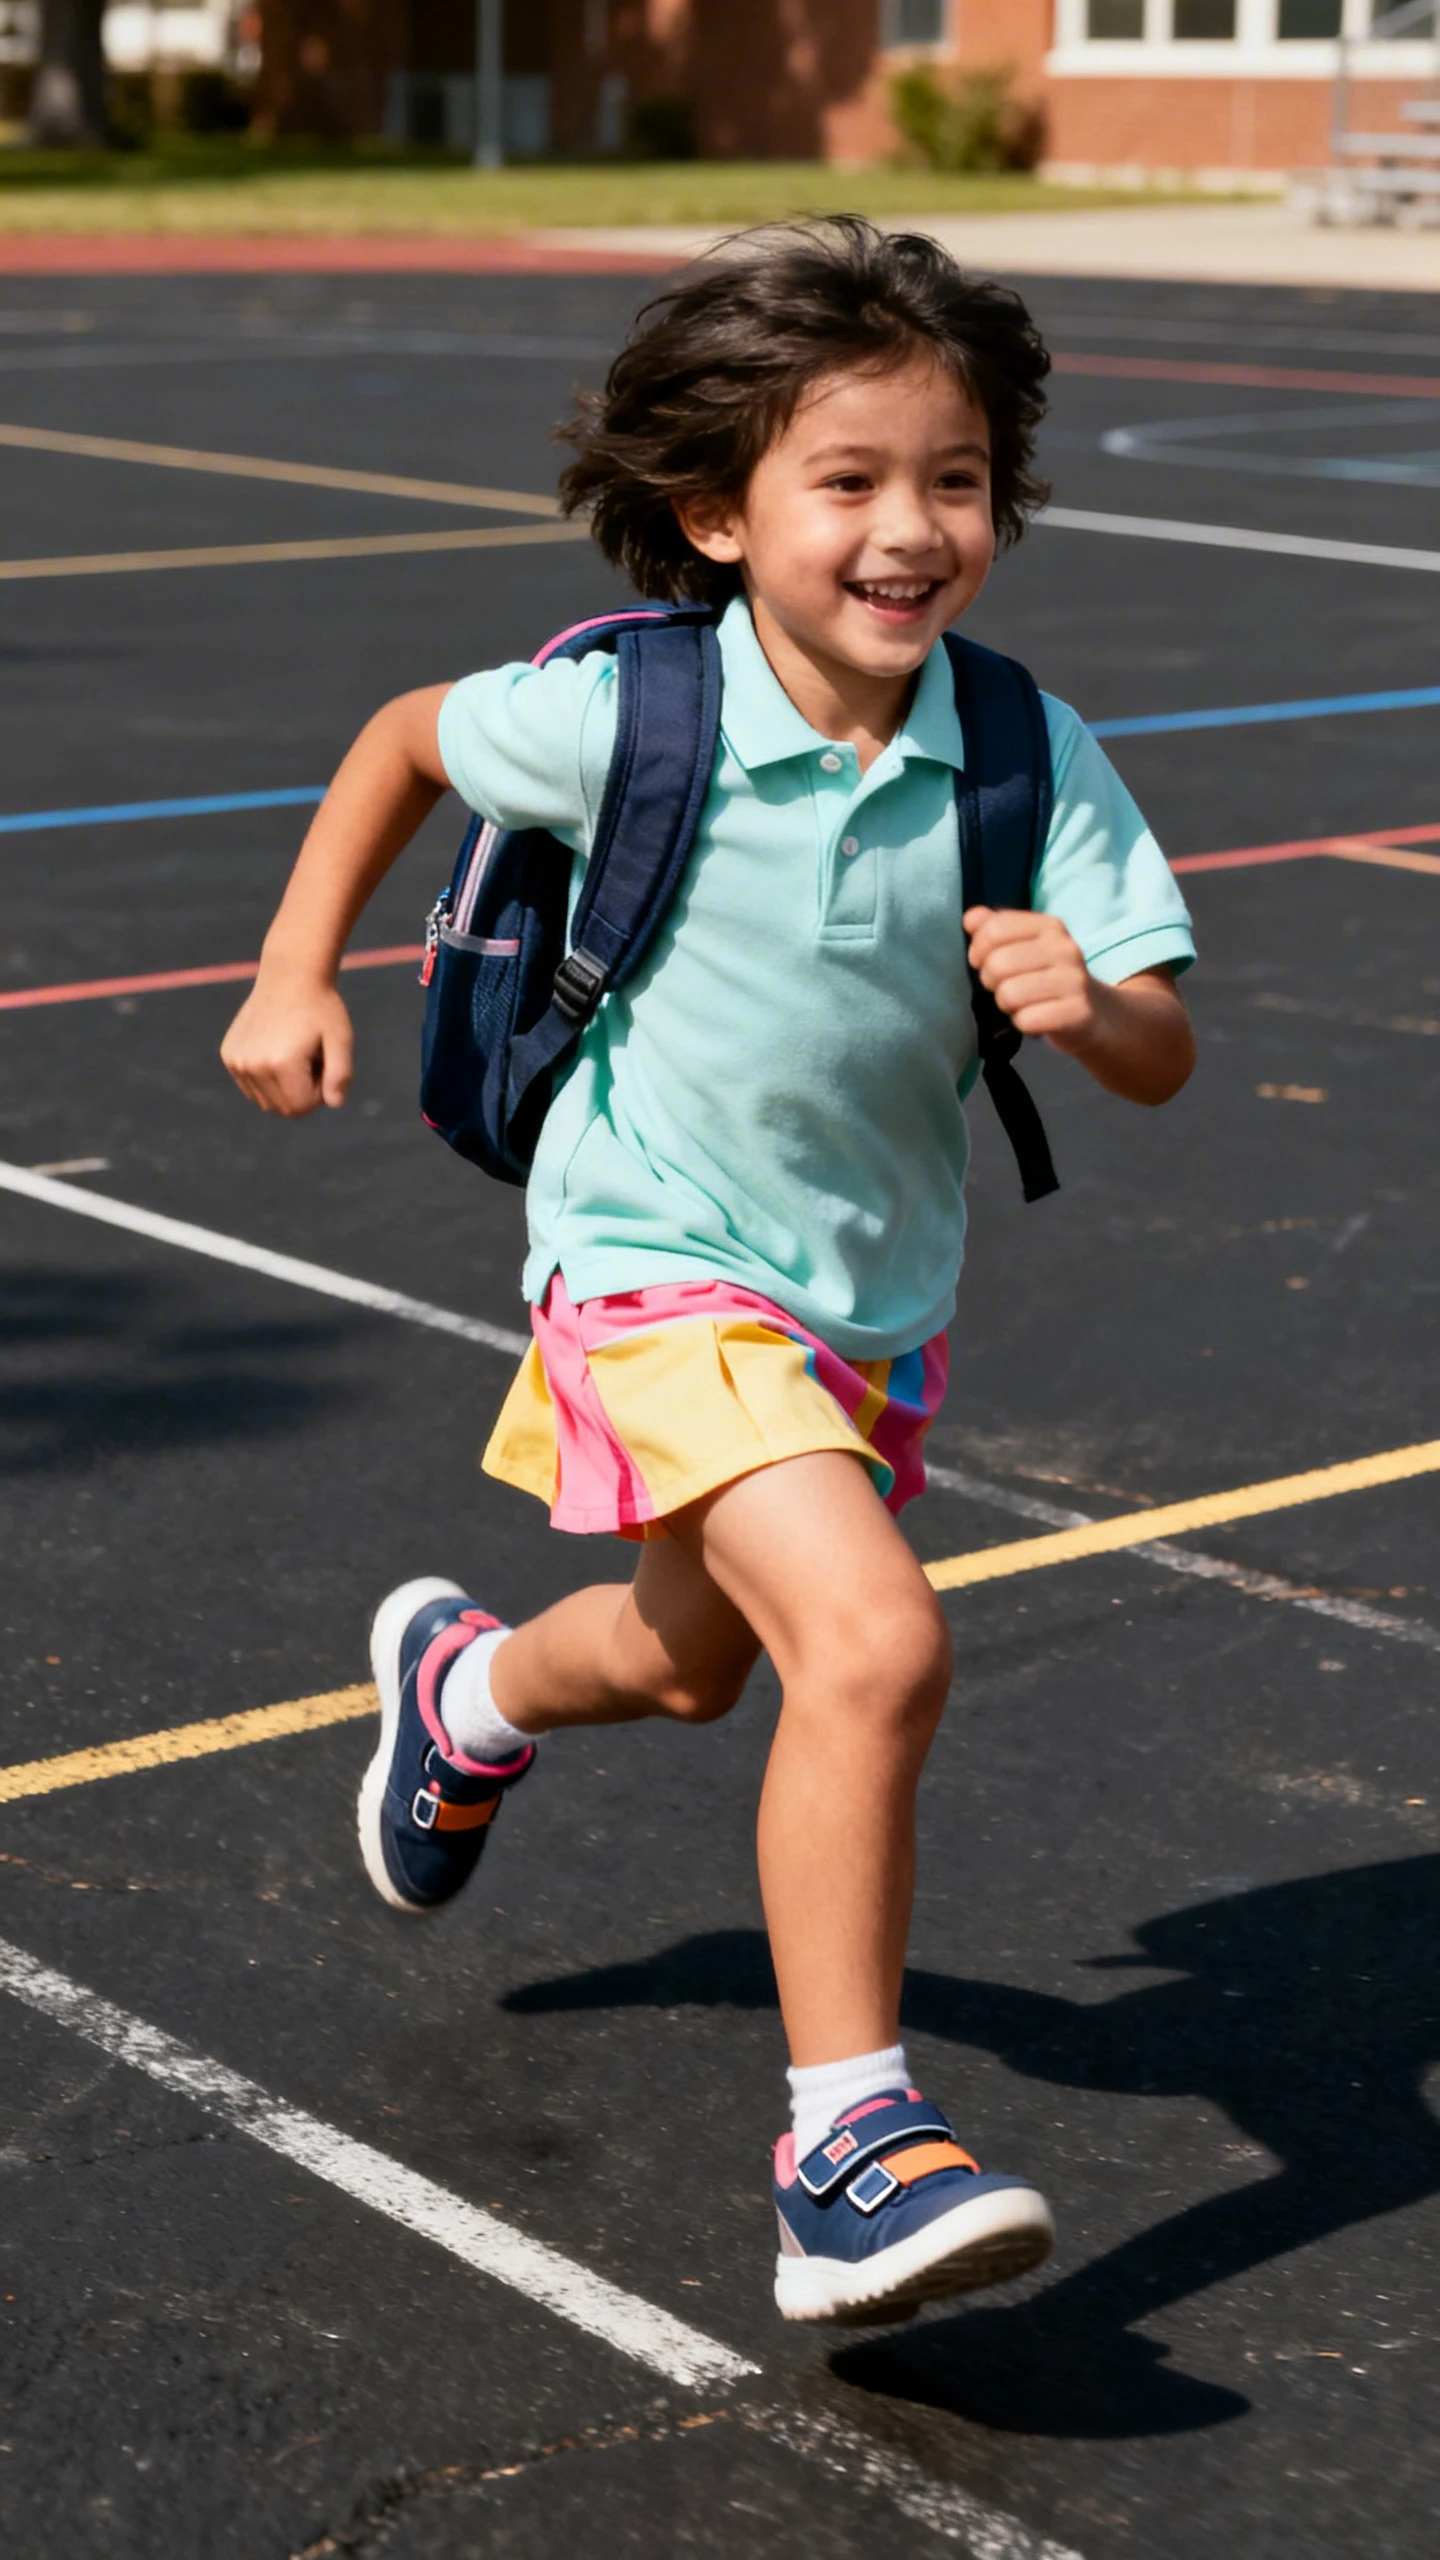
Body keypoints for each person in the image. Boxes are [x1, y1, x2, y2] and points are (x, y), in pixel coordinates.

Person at [221, 218, 1196, 2328]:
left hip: (869, 1299)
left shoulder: (1022, 753)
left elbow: (1161, 1042)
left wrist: (1084, 1003)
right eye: (845, 480)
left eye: (952, 477)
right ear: (717, 511)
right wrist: (297, 968)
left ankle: (466, 1690)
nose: (909, 526)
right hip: (650, 1256)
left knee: (690, 1662)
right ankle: (846, 2142)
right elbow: (403, 735)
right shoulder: (630, 711)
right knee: (872, 1641)